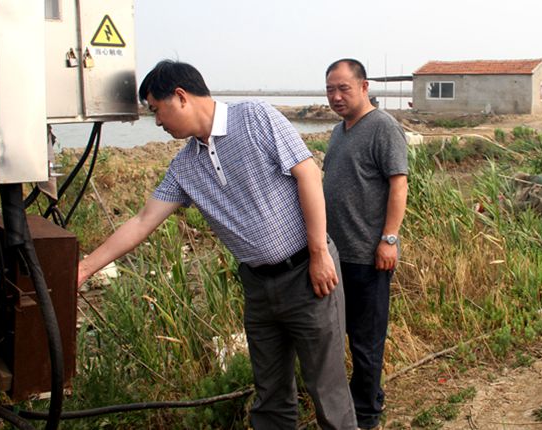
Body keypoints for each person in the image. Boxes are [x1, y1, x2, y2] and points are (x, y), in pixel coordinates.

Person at [78, 60, 356, 429]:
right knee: (270, 392)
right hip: (258, 286)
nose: (157, 122)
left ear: (180, 96)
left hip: (308, 272)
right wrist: (83, 269)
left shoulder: (255, 117)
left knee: (326, 387)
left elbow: (307, 173)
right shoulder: (184, 166)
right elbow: (143, 221)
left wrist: (319, 252)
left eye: (156, 110)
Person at [323, 59, 408, 430]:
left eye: (343, 88)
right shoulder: (339, 131)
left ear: (363, 86)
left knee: (366, 340)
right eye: (330, 89)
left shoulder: (383, 127)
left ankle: (368, 415)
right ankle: (353, 403)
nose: (336, 96)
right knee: (336, 336)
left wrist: (389, 239)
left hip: (368, 255)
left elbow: (399, 184)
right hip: (335, 254)